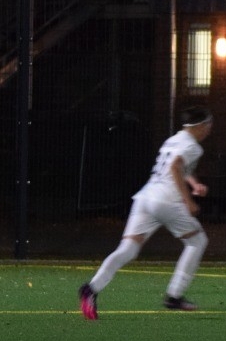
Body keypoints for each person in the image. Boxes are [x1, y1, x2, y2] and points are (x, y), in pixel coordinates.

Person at [78, 106, 215, 320]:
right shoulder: (193, 147)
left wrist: (194, 183)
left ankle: (91, 289)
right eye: (208, 124)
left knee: (128, 249)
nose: (209, 129)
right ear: (199, 126)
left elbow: (178, 167)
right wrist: (188, 201)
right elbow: (175, 167)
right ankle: (174, 296)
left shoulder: (173, 140)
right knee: (197, 241)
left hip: (145, 198)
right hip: (167, 201)